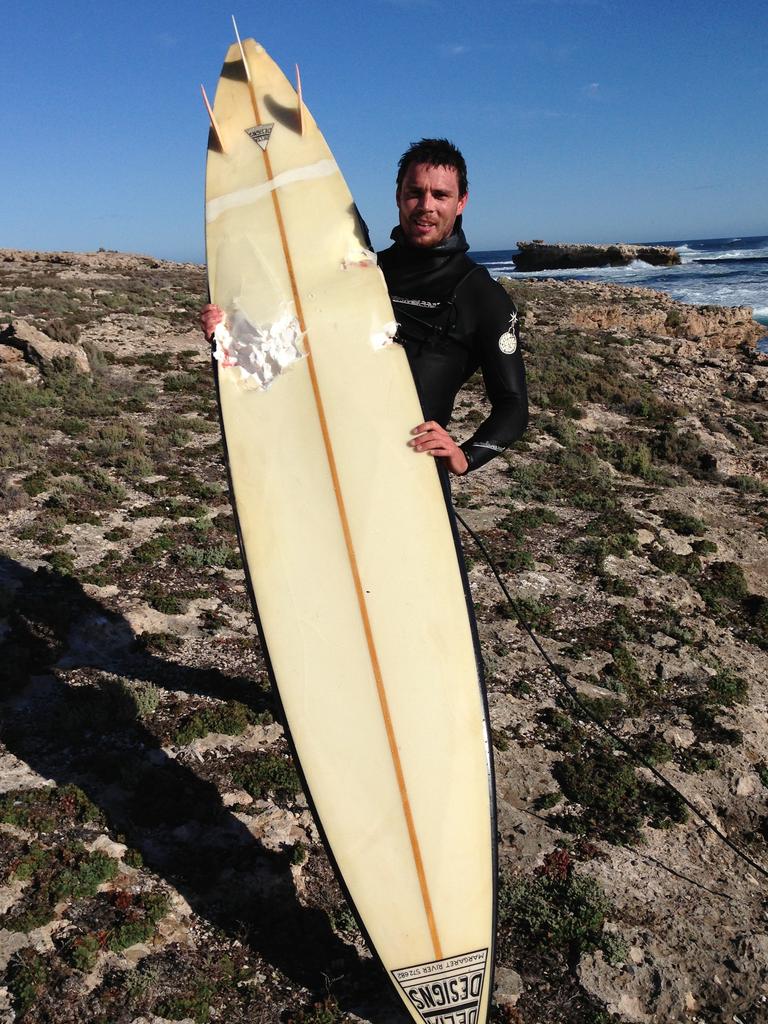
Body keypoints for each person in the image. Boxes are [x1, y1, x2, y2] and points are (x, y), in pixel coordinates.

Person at [200, 137, 527, 475]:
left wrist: (466, 456)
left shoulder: (482, 296)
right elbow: (293, 338)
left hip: (410, 478)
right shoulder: (360, 271)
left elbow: (513, 405)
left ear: (461, 202)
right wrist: (230, 334)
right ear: (398, 195)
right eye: (415, 192)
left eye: (440, 195)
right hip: (322, 456)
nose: (426, 205)